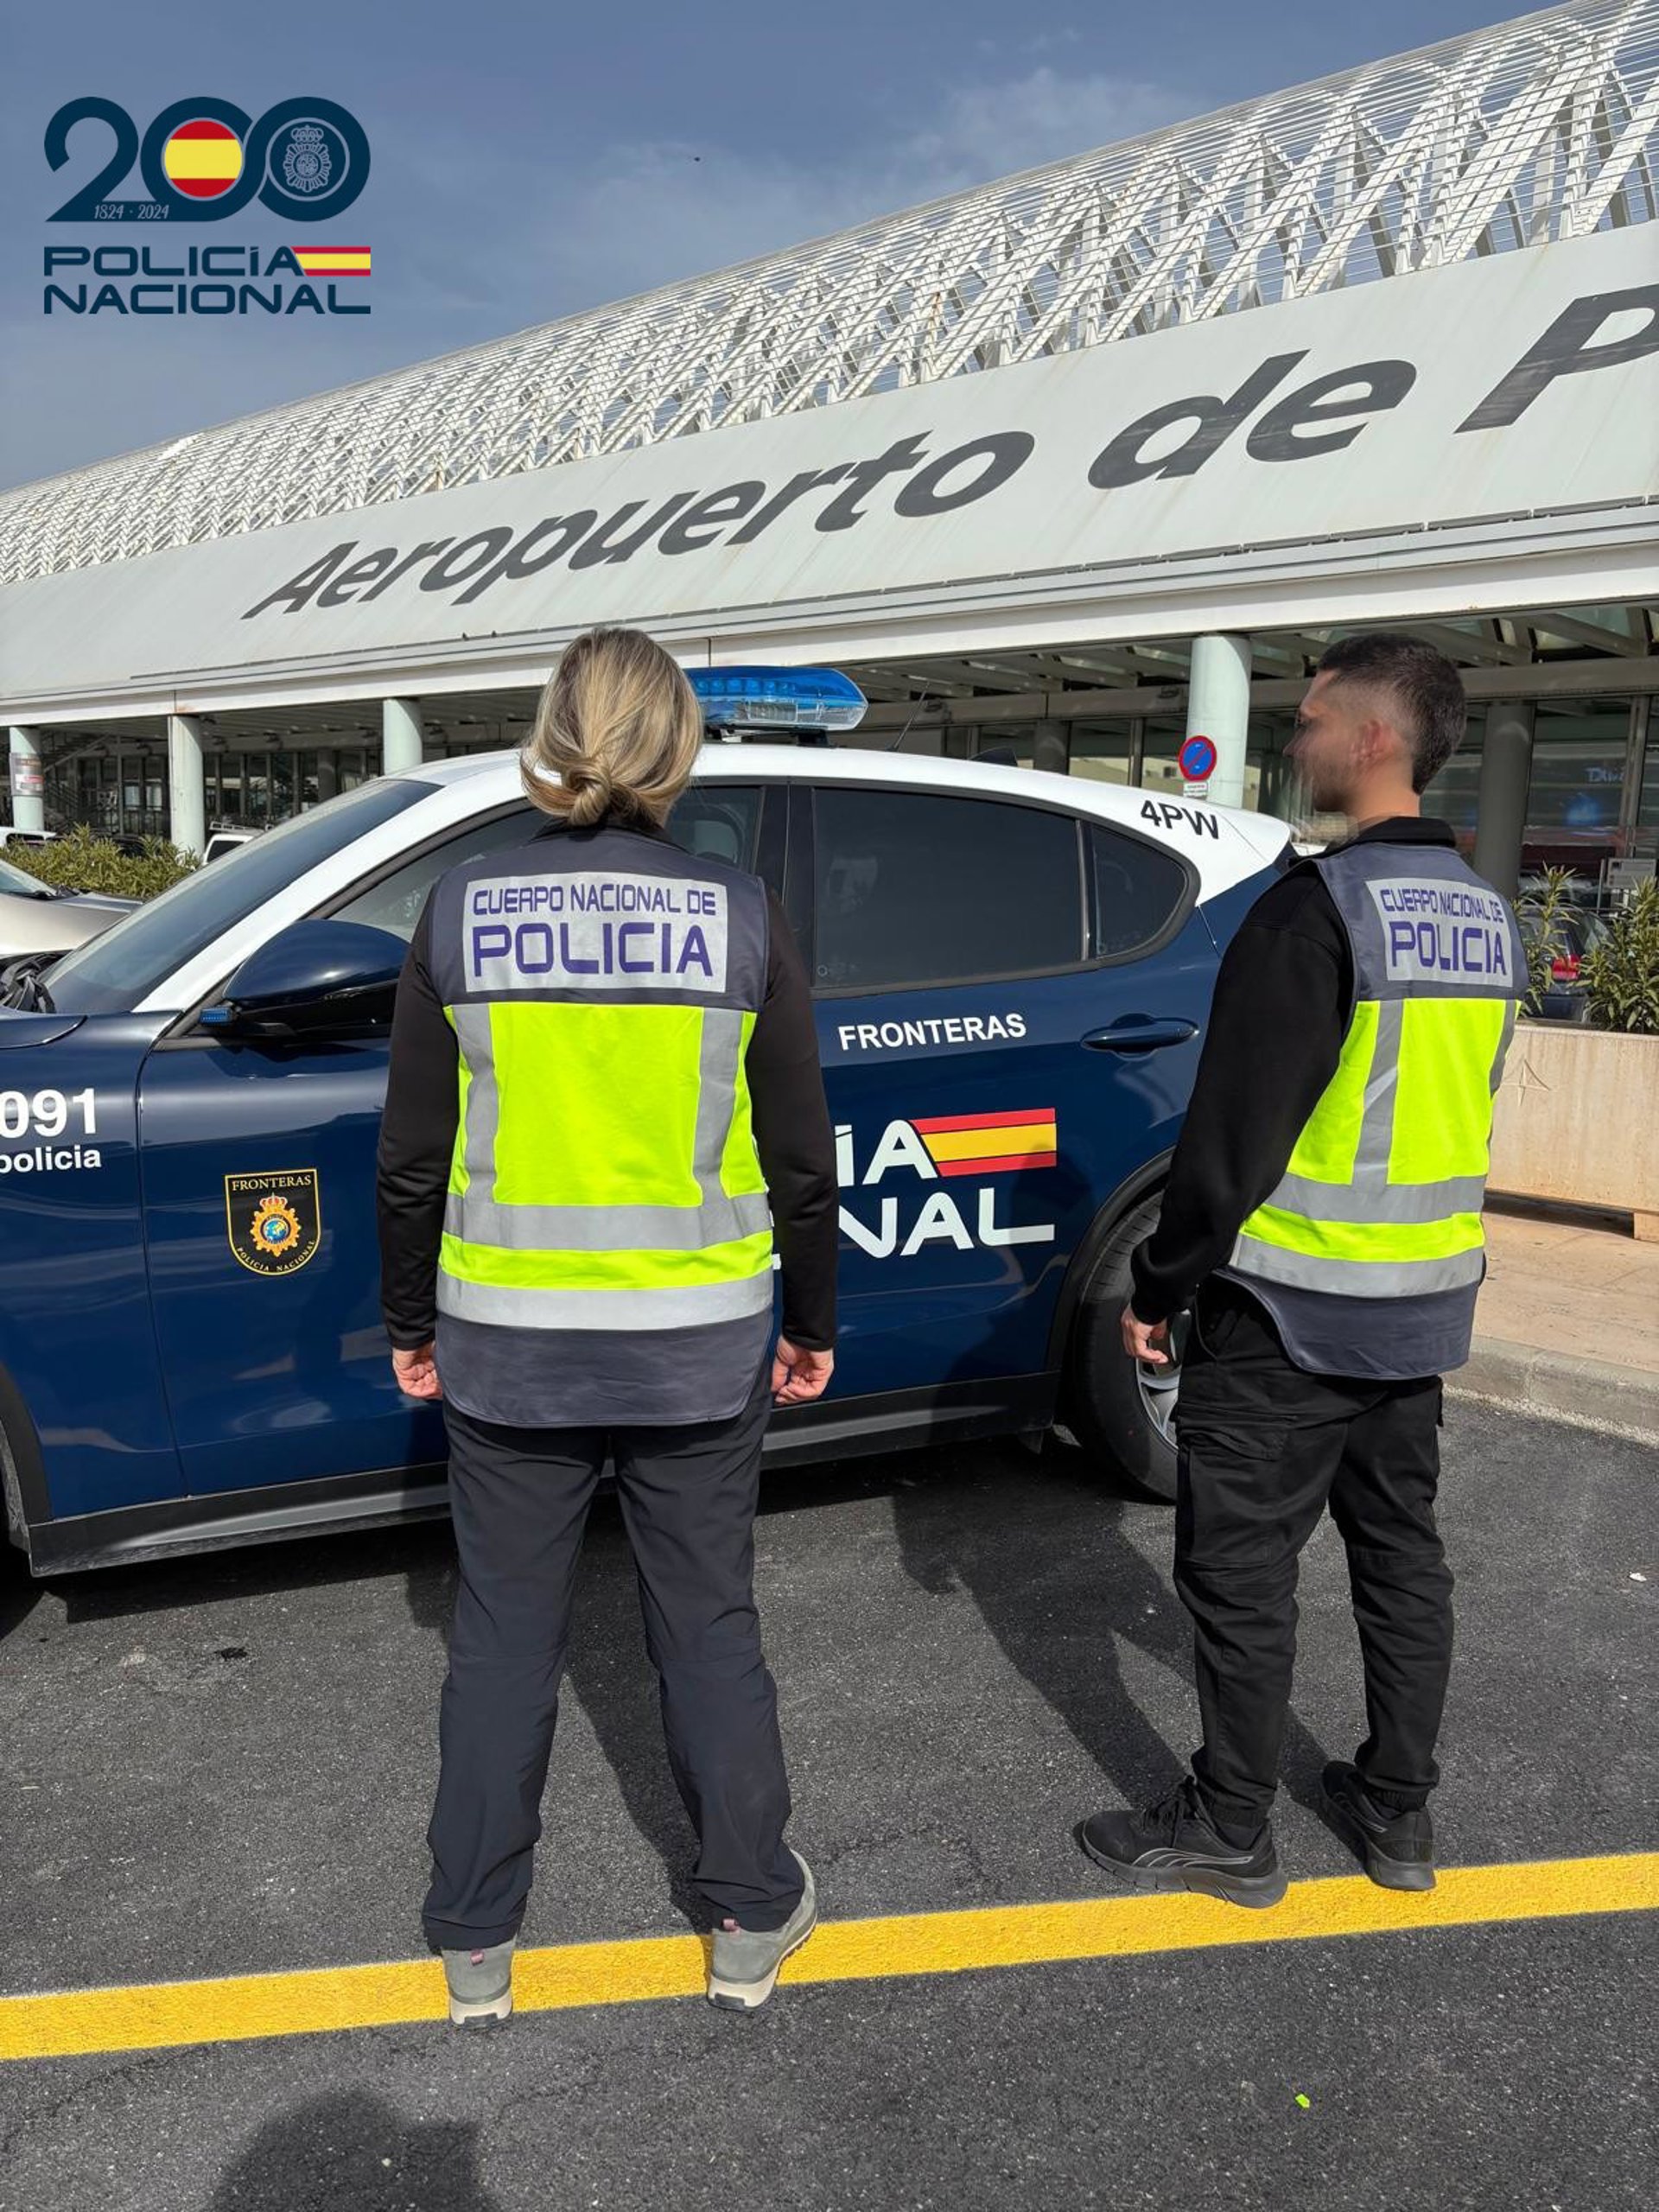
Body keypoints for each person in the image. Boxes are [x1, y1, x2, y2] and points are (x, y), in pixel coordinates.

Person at [376, 626, 838, 2024]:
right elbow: (800, 1151)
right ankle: (748, 1916)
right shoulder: (739, 911)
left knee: (503, 1639)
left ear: (552, 736)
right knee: (706, 1625)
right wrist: (813, 1317)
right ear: (676, 747)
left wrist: (410, 1319)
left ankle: (474, 1944)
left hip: (508, 1345)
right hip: (698, 1341)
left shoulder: (462, 906)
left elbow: (411, 1157)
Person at [1077, 632, 1523, 1907]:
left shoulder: (1315, 909)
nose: (1298, 734)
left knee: (1239, 1571)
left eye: (1316, 716)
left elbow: (1231, 1139)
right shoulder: (1487, 917)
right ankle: (1397, 1811)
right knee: (1401, 1561)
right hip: (1419, 1309)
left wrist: (1161, 1288)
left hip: (1288, 1314)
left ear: (1374, 739)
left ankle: (1231, 1823)